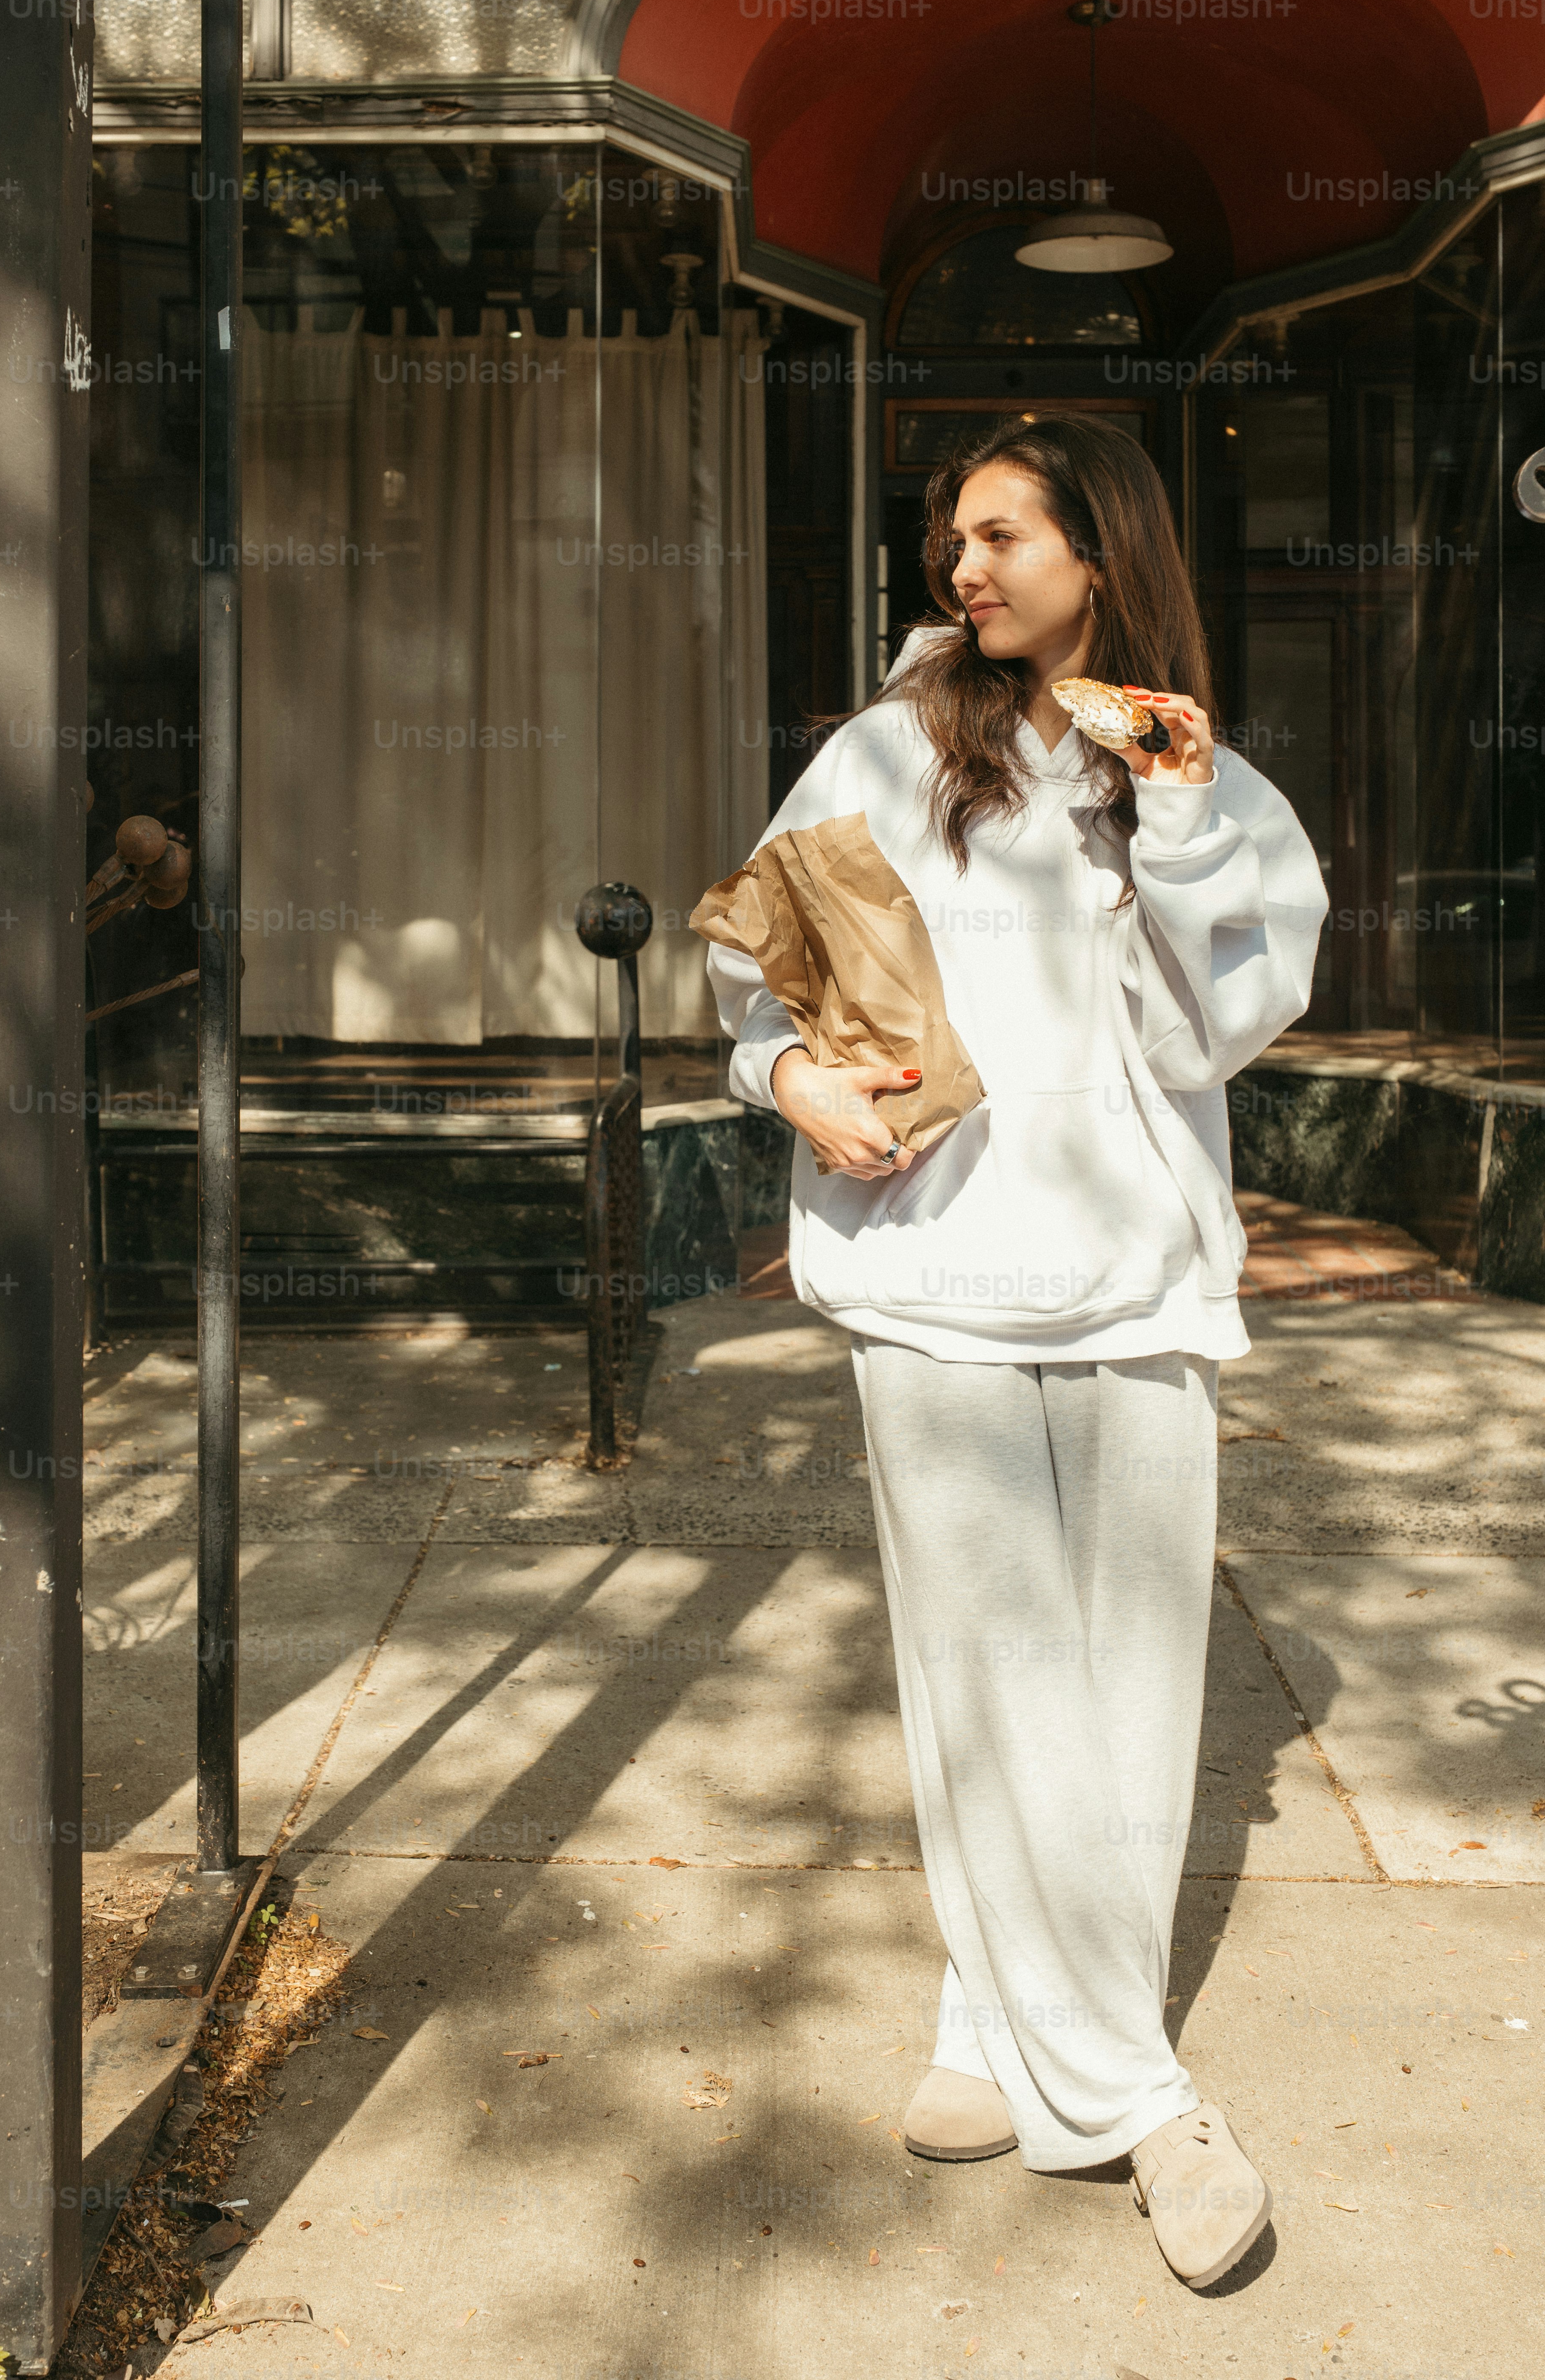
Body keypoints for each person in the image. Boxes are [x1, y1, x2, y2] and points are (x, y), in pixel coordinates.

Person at [703, 415, 1327, 2291]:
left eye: (999, 535)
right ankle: (1140, 2101)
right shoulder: (886, 752)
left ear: (1101, 556)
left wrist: (1185, 812)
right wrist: (790, 1077)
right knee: (989, 1676)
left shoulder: (1198, 783)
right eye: (948, 538)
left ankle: (990, 2014)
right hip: (938, 1272)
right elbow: (754, 972)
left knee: (1132, 1688)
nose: (960, 568)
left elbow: (1225, 1027)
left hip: (1133, 1275)